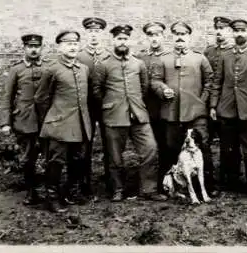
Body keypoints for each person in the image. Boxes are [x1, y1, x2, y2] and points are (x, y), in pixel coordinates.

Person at [92, 24, 166, 202]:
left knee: (150, 149)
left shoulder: (138, 63)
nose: (122, 42)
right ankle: (118, 189)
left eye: (125, 39)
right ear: (113, 41)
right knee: (115, 156)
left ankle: (148, 189)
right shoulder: (103, 64)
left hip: (138, 115)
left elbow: (144, 87)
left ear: (129, 40)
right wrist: (110, 105)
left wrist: (135, 104)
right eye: (119, 39)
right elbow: (97, 90)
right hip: (114, 116)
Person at [151, 21, 218, 196]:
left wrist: (201, 101)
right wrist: (162, 89)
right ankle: (169, 185)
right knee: (170, 148)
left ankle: (208, 186)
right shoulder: (163, 59)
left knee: (202, 147)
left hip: (196, 113)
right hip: (171, 112)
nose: (180, 39)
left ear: (189, 37)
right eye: (177, 35)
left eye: (184, 35)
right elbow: (155, 80)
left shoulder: (199, 58)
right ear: (172, 38)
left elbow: (210, 80)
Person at [210, 19, 247, 198]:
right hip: (227, 108)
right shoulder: (225, 55)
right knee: (228, 148)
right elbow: (217, 81)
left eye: (243, 30)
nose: (239, 34)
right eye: (236, 31)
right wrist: (213, 105)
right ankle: (230, 181)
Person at [35, 30, 92, 212]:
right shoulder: (52, 69)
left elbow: (86, 97)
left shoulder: (83, 69)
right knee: (56, 162)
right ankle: (51, 198)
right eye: (68, 43)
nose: (73, 47)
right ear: (60, 47)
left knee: (77, 159)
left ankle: (69, 193)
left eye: (75, 43)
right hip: (58, 124)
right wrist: (52, 119)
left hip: (80, 124)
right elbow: (41, 98)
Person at [0, 34, 49, 206]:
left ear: (41, 48)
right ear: (25, 48)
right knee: (28, 158)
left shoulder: (48, 68)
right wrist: (5, 122)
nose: (34, 50)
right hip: (24, 121)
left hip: (45, 121)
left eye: (37, 46)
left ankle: (50, 192)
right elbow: (7, 96)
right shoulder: (16, 70)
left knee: (50, 156)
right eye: (30, 47)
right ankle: (31, 192)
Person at [77, 17, 111, 196]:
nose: (94, 36)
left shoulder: (109, 55)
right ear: (86, 34)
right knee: (85, 145)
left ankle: (110, 183)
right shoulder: (79, 56)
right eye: (90, 32)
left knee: (109, 144)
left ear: (102, 34)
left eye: (97, 32)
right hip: (86, 107)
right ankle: (84, 184)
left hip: (107, 106)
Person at [138, 21, 170, 193]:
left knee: (167, 145)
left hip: (166, 107)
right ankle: (150, 183)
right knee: (150, 147)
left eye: (157, 34)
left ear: (163, 36)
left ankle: (165, 181)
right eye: (150, 35)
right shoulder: (141, 57)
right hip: (146, 108)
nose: (154, 38)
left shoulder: (170, 56)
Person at [204, 16, 234, 190]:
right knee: (206, 140)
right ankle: (209, 179)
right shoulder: (209, 52)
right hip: (209, 102)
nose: (219, 32)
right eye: (217, 28)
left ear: (230, 32)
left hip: (228, 103)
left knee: (227, 143)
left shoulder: (233, 52)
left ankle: (227, 177)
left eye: (223, 28)